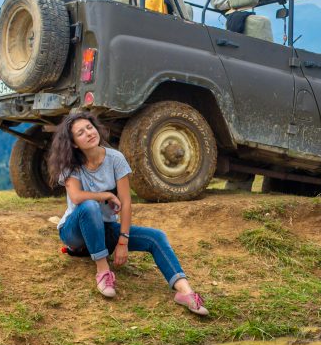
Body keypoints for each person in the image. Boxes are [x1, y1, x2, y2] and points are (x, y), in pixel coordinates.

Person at [46, 112, 208, 315]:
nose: (89, 133)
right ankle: (103, 271)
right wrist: (104, 194)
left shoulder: (115, 158)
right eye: (81, 132)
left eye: (90, 127)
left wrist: (123, 241)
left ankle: (185, 292)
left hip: (105, 229)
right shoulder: (71, 164)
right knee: (89, 206)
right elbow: (77, 197)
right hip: (75, 232)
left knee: (156, 237)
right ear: (75, 143)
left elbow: (126, 201)